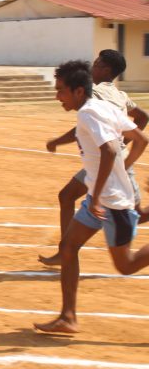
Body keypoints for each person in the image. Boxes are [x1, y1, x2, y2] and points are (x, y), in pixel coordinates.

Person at [34, 60, 149, 334]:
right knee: (68, 248)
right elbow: (142, 139)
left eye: (61, 90)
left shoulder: (88, 113)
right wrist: (125, 168)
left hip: (111, 203)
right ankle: (68, 317)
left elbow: (109, 151)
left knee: (126, 265)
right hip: (103, 198)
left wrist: (97, 195)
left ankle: (68, 316)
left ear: (78, 92)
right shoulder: (103, 107)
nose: (56, 96)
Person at [39, 50, 148, 265]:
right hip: (116, 158)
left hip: (105, 160)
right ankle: (67, 250)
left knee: (73, 198)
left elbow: (87, 129)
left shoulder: (94, 95)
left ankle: (65, 252)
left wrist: (56, 142)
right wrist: (124, 147)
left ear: (106, 70)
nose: (92, 68)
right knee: (130, 212)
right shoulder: (119, 94)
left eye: (97, 64)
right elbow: (143, 118)